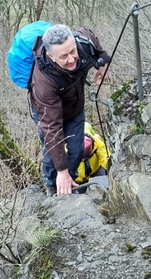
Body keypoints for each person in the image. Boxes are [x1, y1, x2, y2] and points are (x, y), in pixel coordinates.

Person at [29, 24, 110, 196]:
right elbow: (52, 129)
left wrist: (103, 65)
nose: (72, 59)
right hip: (48, 114)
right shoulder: (43, 83)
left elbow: (93, 40)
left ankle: (71, 183)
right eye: (64, 56)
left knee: (77, 149)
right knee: (53, 155)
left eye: (73, 51)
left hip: (74, 109)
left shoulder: (82, 43)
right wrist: (61, 170)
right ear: (50, 56)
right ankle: (53, 186)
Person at [75, 122, 110, 190]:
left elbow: (104, 157)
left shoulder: (97, 142)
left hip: (96, 169)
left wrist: (108, 163)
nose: (83, 160)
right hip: (78, 177)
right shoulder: (65, 148)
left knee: (103, 187)